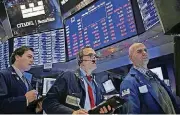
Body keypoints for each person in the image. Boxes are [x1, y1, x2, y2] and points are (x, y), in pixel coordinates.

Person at [42, 46, 113, 114]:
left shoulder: (96, 84)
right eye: (90, 55)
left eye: (95, 56)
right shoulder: (68, 76)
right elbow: (48, 102)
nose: (94, 58)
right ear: (81, 60)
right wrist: (72, 113)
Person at [119, 43, 180, 114]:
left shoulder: (153, 76)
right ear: (131, 58)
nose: (144, 53)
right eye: (139, 51)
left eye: (145, 50)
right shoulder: (129, 82)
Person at [0, 46, 42, 113]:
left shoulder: (26, 80)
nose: (32, 60)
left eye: (33, 58)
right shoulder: (3, 75)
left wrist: (37, 106)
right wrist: (25, 99)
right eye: (29, 56)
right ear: (17, 57)